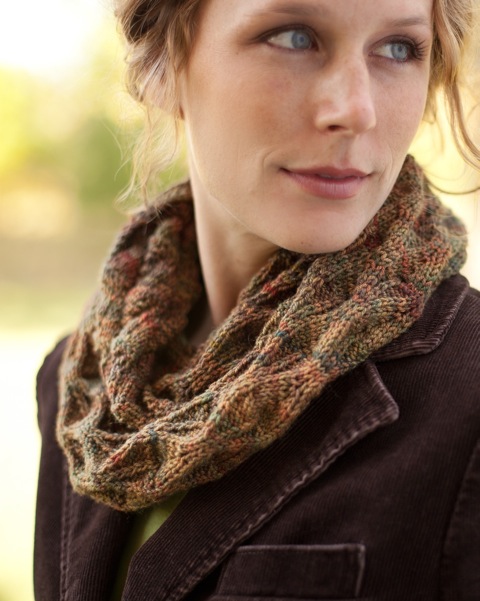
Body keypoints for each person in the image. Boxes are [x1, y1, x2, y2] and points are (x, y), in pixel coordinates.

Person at [34, 0, 480, 599]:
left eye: (399, 49)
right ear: (161, 65)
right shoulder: (78, 392)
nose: (355, 110)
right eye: (294, 37)